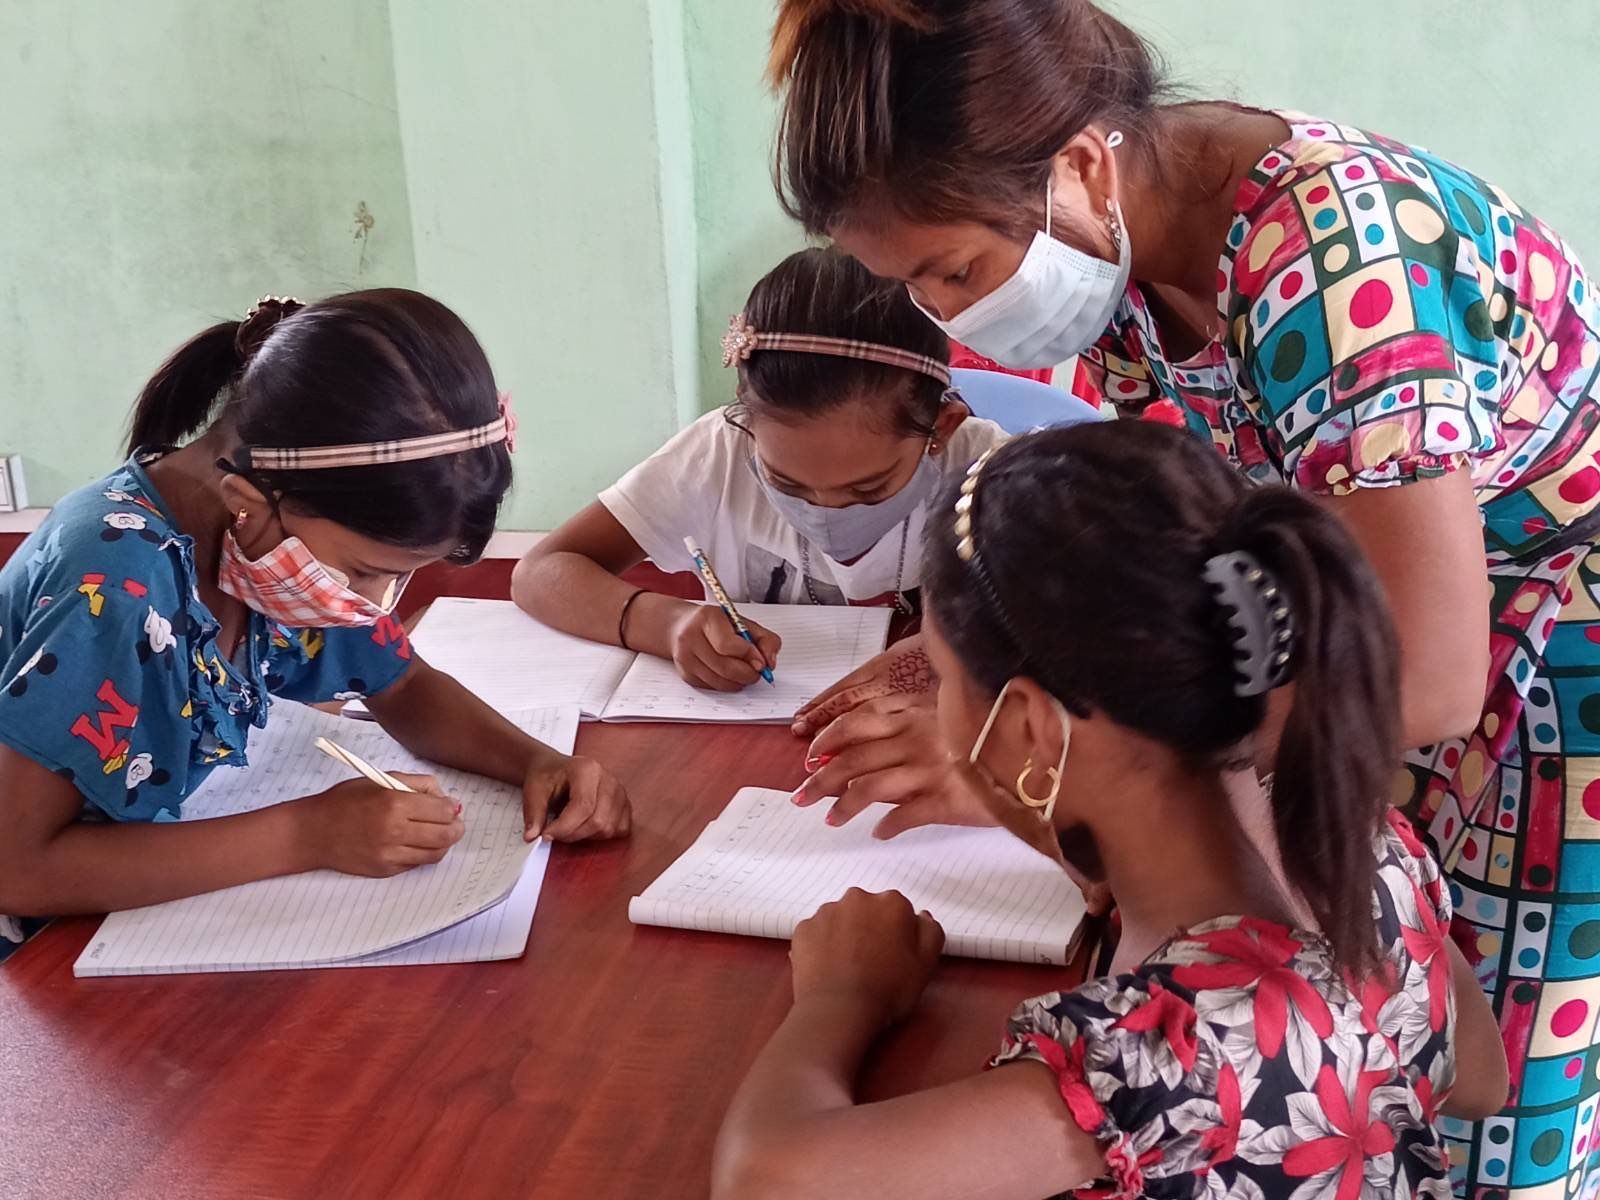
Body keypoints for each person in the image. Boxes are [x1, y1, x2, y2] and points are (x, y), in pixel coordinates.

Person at [767, 2, 1600, 1186]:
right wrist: (971, 657)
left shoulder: (1337, 256)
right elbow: (1158, 563)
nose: (945, 320)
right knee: (1361, 1045)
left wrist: (1034, 770)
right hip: (1355, 665)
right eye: (913, 289)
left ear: (1082, 164)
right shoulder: (1127, 280)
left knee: (1479, 1118)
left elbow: (1425, 676)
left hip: (1552, 670)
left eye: (951, 270)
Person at [713, 421, 1507, 1200]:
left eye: (944, 682)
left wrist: (844, 995)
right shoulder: (1361, 845)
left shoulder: (1178, 1045)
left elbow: (767, 1180)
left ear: (1029, 729)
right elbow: (1479, 1076)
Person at [0, 291, 630, 963]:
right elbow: (19, 866)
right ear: (248, 504)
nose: (370, 600)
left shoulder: (277, 542)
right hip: (43, 962)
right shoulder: (116, 581)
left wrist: (538, 762)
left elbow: (404, 685)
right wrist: (306, 835)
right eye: (363, 571)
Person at [511, 248, 1008, 692]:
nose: (825, 510)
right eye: (786, 483)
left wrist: (958, 660)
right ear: (745, 425)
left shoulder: (990, 474)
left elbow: (1071, 623)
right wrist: (665, 623)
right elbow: (539, 573)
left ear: (941, 429)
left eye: (867, 487)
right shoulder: (717, 458)